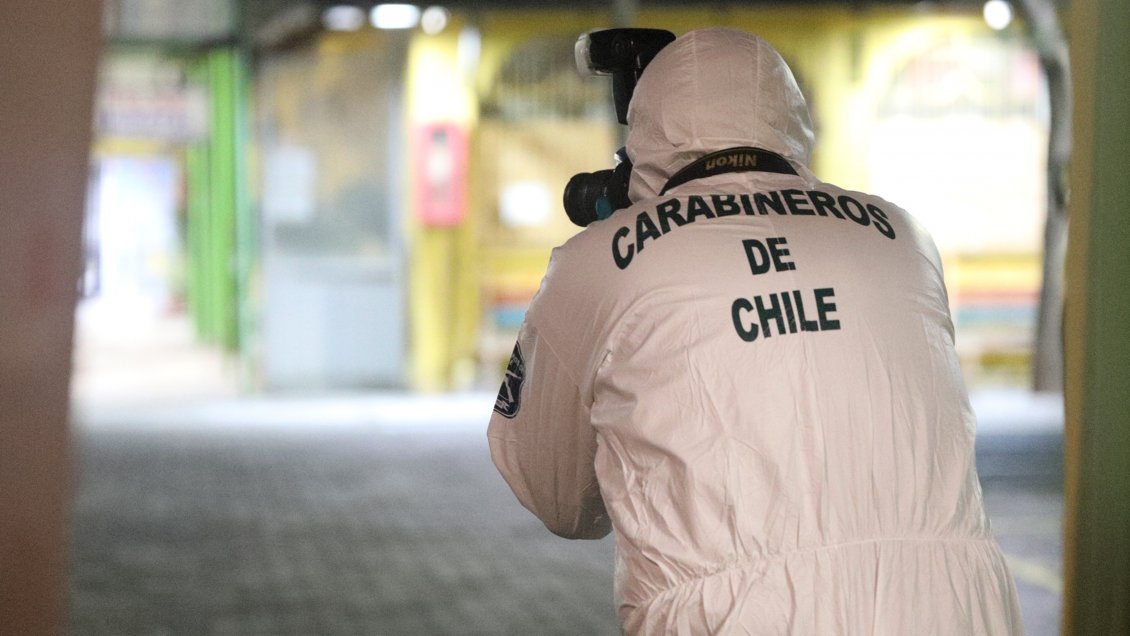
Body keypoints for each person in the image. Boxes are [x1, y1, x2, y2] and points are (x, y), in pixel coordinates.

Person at [487, 27, 1024, 634]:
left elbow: (557, 497)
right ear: (789, 122)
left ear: (645, 134)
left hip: (737, 618)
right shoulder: (903, 237)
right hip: (957, 607)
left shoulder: (600, 261)